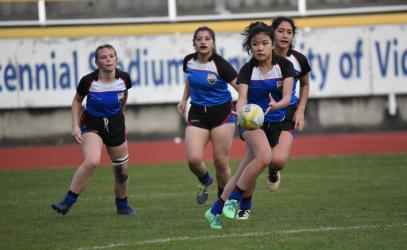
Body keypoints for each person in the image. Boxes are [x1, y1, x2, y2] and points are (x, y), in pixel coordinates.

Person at [204, 21, 294, 229]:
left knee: (244, 170)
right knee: (265, 157)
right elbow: (242, 97)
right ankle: (236, 200)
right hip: (251, 123)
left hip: (274, 122)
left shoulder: (284, 66)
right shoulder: (247, 70)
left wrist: (276, 104)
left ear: (272, 45)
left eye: (264, 43)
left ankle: (214, 211)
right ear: (250, 47)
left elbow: (288, 97)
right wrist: (243, 112)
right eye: (255, 44)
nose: (259, 48)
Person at [235, 16, 311, 220]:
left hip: (285, 113)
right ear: (272, 33)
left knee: (276, 160)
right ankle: (245, 204)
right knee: (254, 160)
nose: (285, 35)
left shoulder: (297, 60)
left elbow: (304, 84)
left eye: (290, 32)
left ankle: (273, 171)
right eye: (281, 31)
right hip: (257, 117)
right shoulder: (256, 63)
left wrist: (301, 109)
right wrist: (244, 113)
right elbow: (242, 93)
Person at [51, 44, 136, 216]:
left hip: (116, 125)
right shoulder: (88, 81)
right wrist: (75, 125)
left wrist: (120, 115)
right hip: (92, 123)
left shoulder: (124, 79)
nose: (108, 59)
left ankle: (122, 206)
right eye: (104, 57)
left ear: (116, 59)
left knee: (122, 172)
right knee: (92, 161)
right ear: (97, 62)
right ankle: (67, 202)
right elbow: (77, 101)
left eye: (111, 56)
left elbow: (123, 97)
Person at [177, 26, 238, 205]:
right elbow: (190, 80)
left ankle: (223, 199)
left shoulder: (220, 64)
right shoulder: (188, 61)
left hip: (222, 114)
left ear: (213, 43)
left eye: (207, 38)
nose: (203, 41)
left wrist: (243, 106)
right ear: (194, 43)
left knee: (220, 162)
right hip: (197, 113)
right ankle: (204, 179)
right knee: (193, 159)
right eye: (199, 38)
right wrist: (183, 99)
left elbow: (241, 87)